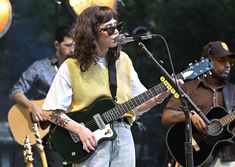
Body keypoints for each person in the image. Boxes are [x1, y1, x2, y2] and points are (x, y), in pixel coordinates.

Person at [41, 5, 175, 167]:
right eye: (109, 29)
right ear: (91, 33)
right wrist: (80, 130)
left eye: (117, 27)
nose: (116, 32)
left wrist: (162, 95)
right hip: (91, 138)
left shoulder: (123, 60)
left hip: (124, 134)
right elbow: (50, 111)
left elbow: (138, 104)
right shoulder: (71, 66)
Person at [9, 25, 75, 167]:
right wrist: (32, 106)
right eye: (68, 45)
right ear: (57, 45)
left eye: (75, 45)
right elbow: (16, 91)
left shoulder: (80, 69)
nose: (73, 49)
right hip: (48, 131)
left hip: (73, 126)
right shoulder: (40, 67)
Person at [162, 41, 235, 167]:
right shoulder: (187, 88)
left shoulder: (233, 91)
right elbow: (166, 116)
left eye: (230, 61)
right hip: (195, 158)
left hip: (228, 158)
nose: (228, 65)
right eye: (222, 60)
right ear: (207, 61)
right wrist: (188, 116)